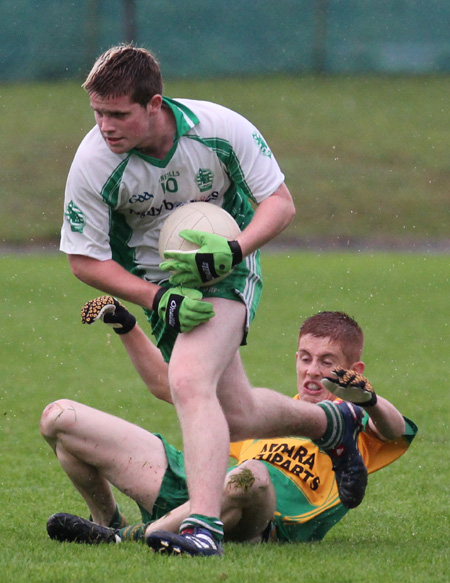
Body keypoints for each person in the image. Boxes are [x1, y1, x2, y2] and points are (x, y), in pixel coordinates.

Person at [60, 44, 367, 555]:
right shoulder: (94, 163)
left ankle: (204, 526)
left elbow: (280, 204)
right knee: (238, 412)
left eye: (118, 113)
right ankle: (333, 423)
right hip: (164, 291)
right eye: (97, 113)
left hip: (229, 269)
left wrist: (232, 250)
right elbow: (83, 261)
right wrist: (157, 298)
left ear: (154, 104)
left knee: (186, 380)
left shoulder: (219, 129)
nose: (104, 126)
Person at [42, 299, 417, 554]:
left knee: (250, 474)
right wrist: (126, 325)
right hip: (200, 493)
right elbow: (167, 383)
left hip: (260, 519)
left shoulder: (353, 421)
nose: (313, 370)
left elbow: (395, 429)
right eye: (305, 358)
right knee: (59, 418)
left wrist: (366, 399)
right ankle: (108, 520)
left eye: (327, 361)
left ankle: (125, 538)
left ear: (355, 370)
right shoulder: (261, 411)